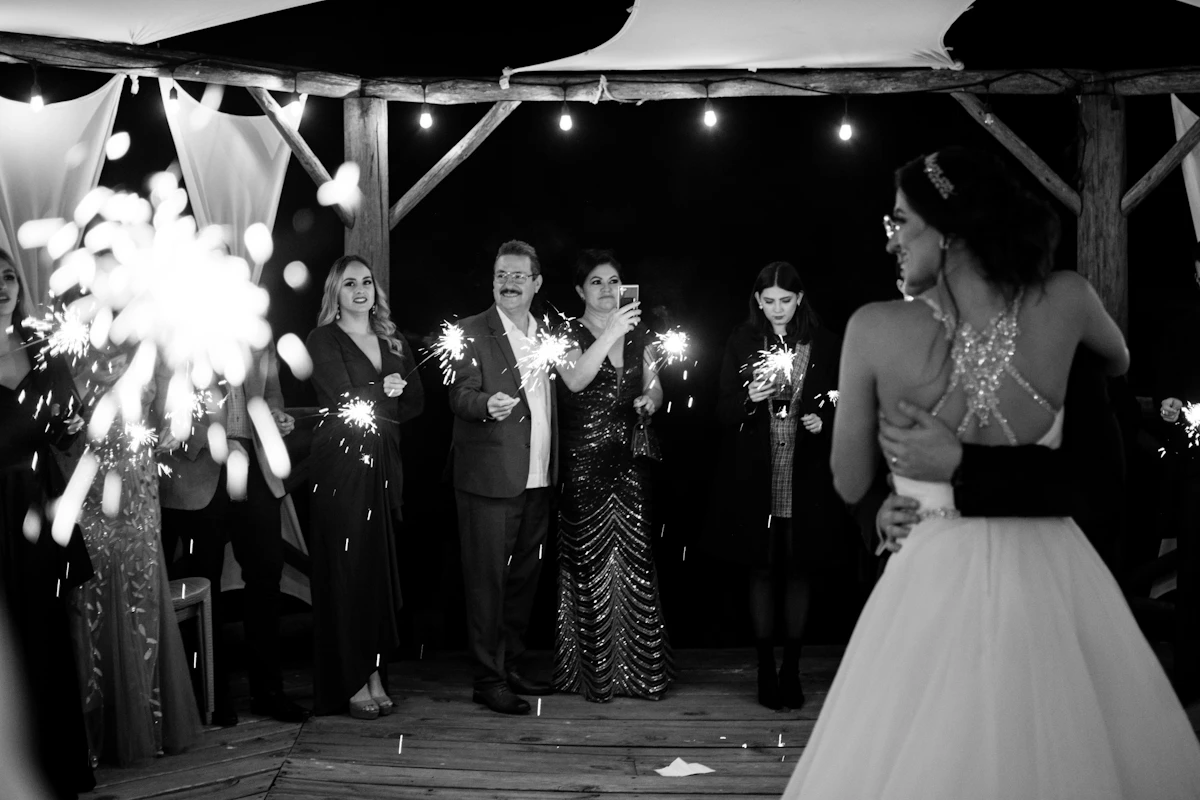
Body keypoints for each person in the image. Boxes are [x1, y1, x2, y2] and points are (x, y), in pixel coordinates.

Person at [782, 147, 1200, 798]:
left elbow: (845, 476)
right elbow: (1116, 360)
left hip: (930, 568)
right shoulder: (1067, 299)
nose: (891, 241)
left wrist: (882, 507)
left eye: (901, 223)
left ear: (949, 231)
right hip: (1053, 575)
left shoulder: (873, 328)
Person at [155, 340, 309, 726]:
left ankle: (268, 691)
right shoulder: (170, 326)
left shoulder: (255, 328)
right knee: (203, 581)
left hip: (255, 465)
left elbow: (271, 391)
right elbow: (159, 398)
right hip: (198, 468)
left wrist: (277, 415)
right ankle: (211, 694)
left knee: (267, 573)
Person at [709, 261, 842, 710]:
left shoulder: (824, 343)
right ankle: (766, 668)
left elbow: (845, 398)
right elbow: (723, 409)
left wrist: (823, 419)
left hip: (805, 473)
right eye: (768, 302)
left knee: (800, 568)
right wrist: (750, 398)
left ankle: (792, 670)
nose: (777, 309)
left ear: (800, 299)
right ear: (757, 301)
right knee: (762, 569)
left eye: (785, 301)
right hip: (756, 474)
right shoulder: (743, 340)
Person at [68, 342, 202, 765]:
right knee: (90, 598)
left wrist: (177, 419)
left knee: (141, 596)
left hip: (138, 488)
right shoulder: (65, 344)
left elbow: (178, 398)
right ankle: (96, 730)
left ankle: (147, 721)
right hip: (87, 485)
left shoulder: (152, 337)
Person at [305, 255, 424, 719]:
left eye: (367, 282)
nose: (361, 290)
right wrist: (383, 389)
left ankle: (374, 674)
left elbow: (414, 402)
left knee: (375, 572)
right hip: (342, 465)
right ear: (335, 292)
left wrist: (393, 391)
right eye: (350, 283)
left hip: (385, 466)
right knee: (348, 571)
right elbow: (342, 397)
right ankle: (349, 681)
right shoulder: (322, 339)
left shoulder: (391, 340)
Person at [552, 249, 670, 702]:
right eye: (597, 282)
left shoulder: (641, 335)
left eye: (614, 281)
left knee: (636, 561)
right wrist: (611, 333)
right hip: (583, 462)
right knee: (586, 562)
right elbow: (575, 380)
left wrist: (651, 401)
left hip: (629, 460)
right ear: (581, 290)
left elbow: (654, 383)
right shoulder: (564, 333)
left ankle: (639, 674)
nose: (607, 289)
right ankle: (593, 674)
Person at [448, 239, 557, 715]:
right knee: (487, 582)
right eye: (501, 274)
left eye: (518, 276)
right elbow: (459, 395)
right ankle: (486, 678)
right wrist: (485, 406)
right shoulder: (470, 331)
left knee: (522, 580)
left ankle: (510, 661)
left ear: (536, 283)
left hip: (539, 478)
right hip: (490, 477)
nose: (508, 283)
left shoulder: (550, 335)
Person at [0, 252, 95, 797]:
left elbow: (65, 431)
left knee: (49, 636)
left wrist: (74, 423)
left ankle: (58, 771)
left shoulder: (43, 352)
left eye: (9, 275)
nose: (4, 286)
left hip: (40, 507)